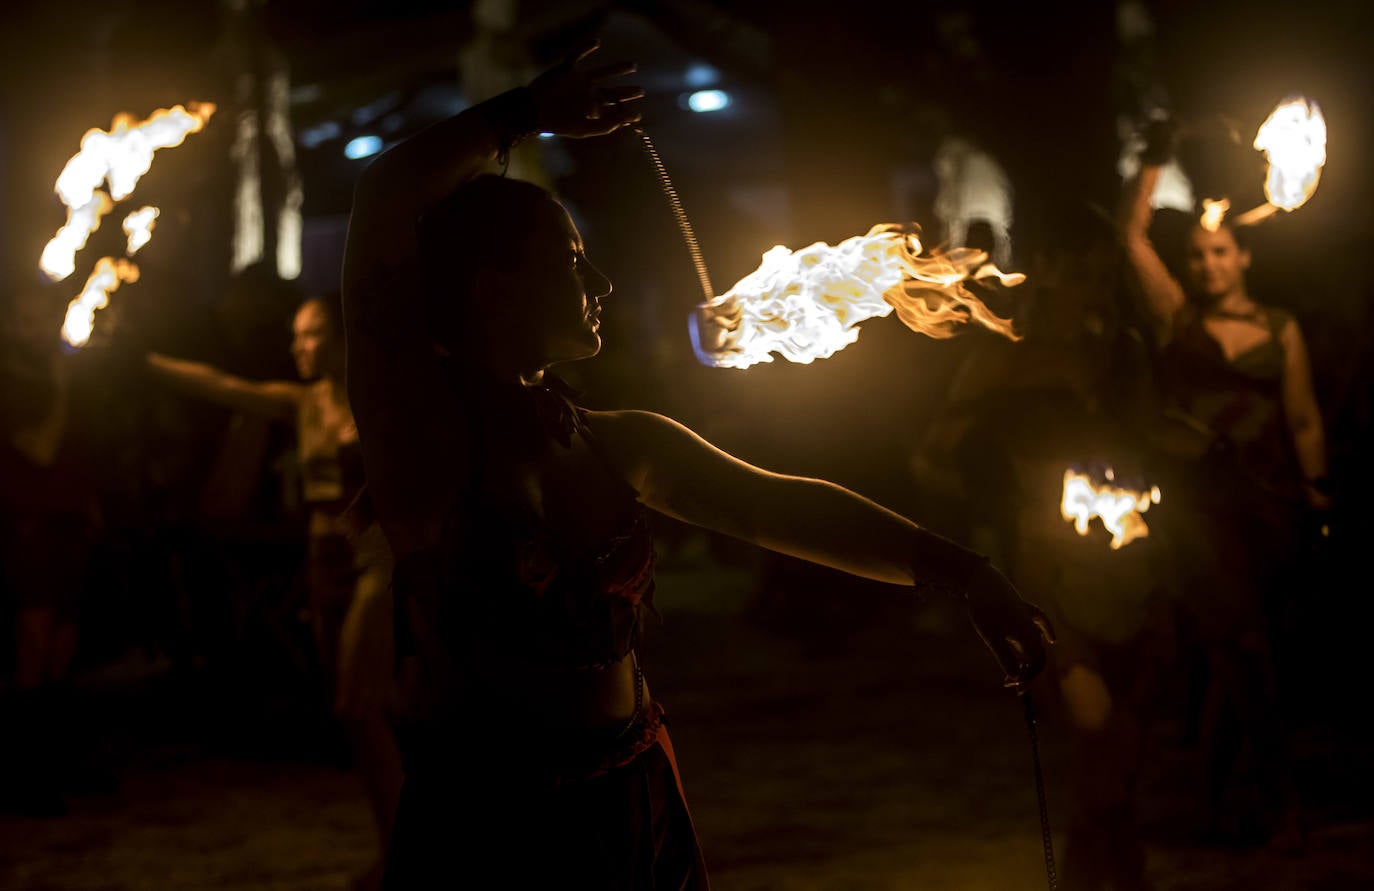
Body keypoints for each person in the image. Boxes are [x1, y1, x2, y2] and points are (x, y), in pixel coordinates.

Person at [341, 41, 1055, 889]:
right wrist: (527, 109)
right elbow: (384, 192)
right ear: (494, 289)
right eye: (571, 263)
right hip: (493, 832)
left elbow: (777, 507)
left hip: (634, 803)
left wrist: (967, 574)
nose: (599, 282)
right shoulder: (416, 433)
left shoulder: (615, 441)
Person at [1118, 119, 1331, 850]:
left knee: (1241, 651)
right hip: (1201, 511)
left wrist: (1319, 495)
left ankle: (1218, 798)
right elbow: (1131, 239)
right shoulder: (1177, 320)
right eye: (1197, 256)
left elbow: (1302, 419)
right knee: (1241, 643)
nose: (1207, 265)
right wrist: (1153, 157)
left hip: (1268, 507)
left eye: (1218, 253)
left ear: (1242, 256)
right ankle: (1279, 798)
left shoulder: (1280, 327)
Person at [145, 293, 401, 889]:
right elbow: (219, 385)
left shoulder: (376, 401)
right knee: (359, 713)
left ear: (341, 340)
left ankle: (404, 849)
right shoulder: (298, 403)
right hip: (322, 559)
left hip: (372, 562)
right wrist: (146, 363)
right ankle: (397, 840)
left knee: (360, 706)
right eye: (295, 335)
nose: (299, 347)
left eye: (312, 335)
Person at [0, 285, 105, 817]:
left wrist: (89, 507)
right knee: (34, 643)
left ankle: (60, 767)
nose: (36, 330)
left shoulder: (52, 375)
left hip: (66, 527)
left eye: (43, 319)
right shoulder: (10, 383)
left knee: (64, 643)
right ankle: (24, 778)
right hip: (29, 529)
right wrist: (62, 390)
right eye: (25, 321)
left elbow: (74, 451)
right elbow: (39, 449)